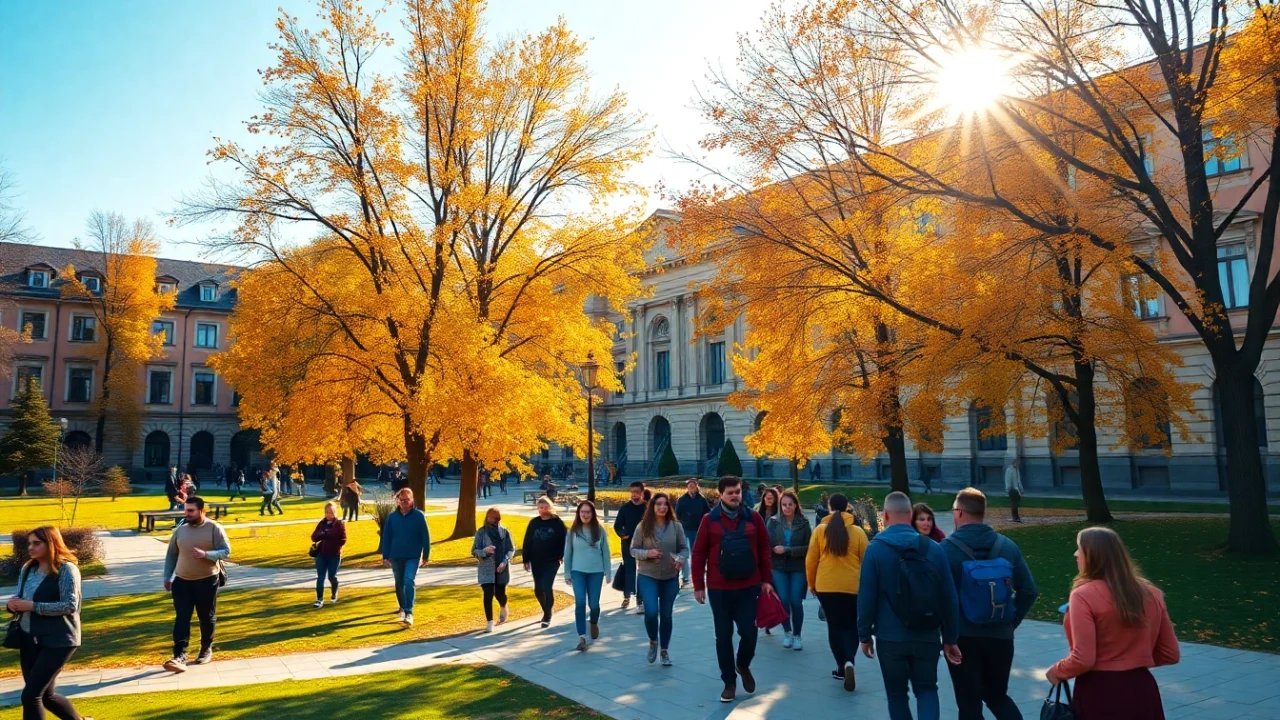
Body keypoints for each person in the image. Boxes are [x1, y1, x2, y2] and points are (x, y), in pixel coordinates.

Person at [1047, 527, 1179, 720]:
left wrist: (1057, 671)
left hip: (1099, 691)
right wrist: (1133, 660)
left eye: (1079, 549)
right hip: (1142, 689)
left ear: (1092, 556)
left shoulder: (1083, 595)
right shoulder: (1152, 594)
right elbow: (1170, 653)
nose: (1076, 554)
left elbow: (1083, 658)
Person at [857, 491, 961, 720]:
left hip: (889, 635)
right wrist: (951, 638)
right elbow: (949, 597)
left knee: (896, 695)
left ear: (884, 515)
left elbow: (866, 596)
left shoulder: (875, 549)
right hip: (927, 633)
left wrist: (864, 635)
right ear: (911, 514)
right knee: (927, 690)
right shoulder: (934, 549)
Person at [940, 488, 1038, 720]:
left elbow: (938, 598)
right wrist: (1010, 622)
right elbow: (1029, 590)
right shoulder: (1007, 546)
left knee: (969, 702)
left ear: (960, 512)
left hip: (962, 638)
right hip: (1001, 636)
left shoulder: (944, 550)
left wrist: (946, 634)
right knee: (997, 696)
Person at [691, 476, 774, 704]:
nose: (735, 496)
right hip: (719, 589)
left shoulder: (753, 518)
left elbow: (764, 549)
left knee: (749, 633)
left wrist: (767, 580)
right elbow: (698, 554)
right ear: (721, 496)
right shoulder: (710, 520)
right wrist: (698, 585)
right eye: (730, 493)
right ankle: (729, 682)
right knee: (723, 636)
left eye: (737, 491)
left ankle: (743, 664)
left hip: (749, 587)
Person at [4, 526, 91, 720]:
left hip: (59, 640)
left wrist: (33, 606)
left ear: (51, 543)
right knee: (46, 696)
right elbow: (21, 597)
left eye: (36, 543)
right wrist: (12, 604)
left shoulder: (67, 569)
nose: (31, 548)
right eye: (29, 543)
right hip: (29, 637)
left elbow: (70, 605)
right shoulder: (28, 568)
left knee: (31, 695)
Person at [805, 493, 869, 690]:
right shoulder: (858, 532)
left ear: (829, 507)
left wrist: (811, 585)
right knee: (850, 626)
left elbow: (811, 560)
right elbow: (866, 561)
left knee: (834, 626)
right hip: (852, 586)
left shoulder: (820, 530)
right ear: (848, 507)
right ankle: (850, 660)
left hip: (827, 585)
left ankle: (841, 667)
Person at [162, 496, 232, 673]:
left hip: (207, 580)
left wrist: (206, 554)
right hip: (182, 581)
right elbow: (171, 555)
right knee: (182, 618)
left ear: (202, 511)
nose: (187, 514)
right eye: (185, 510)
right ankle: (179, 656)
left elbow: (226, 551)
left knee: (206, 617)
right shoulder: (181, 529)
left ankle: (205, 649)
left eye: (191, 511)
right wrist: (167, 577)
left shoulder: (214, 528)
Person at [631, 492, 689, 666]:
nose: (662, 507)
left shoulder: (676, 526)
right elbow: (633, 550)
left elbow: (684, 548)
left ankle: (664, 650)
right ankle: (652, 641)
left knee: (666, 615)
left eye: (665, 504)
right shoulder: (643, 527)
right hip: (648, 575)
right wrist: (647, 554)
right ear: (652, 507)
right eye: (658, 504)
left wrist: (680, 560)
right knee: (651, 613)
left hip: (670, 577)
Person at [564, 500, 611, 652]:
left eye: (588, 512)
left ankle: (594, 622)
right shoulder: (573, 532)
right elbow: (568, 553)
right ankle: (582, 636)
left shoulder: (600, 530)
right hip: (578, 571)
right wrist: (567, 573)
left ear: (593, 513)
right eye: (582, 512)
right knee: (580, 602)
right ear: (578, 513)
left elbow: (606, 552)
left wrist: (608, 572)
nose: (585, 515)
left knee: (594, 604)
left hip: (596, 572)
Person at [379, 488, 431, 626]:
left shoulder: (419, 516)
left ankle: (409, 612)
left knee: (409, 580)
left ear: (412, 500)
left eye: (407, 500)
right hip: (396, 555)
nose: (404, 503)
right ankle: (402, 606)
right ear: (398, 501)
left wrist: (426, 554)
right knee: (399, 583)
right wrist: (386, 555)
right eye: (402, 500)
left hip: (413, 556)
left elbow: (425, 536)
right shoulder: (392, 517)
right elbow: (387, 537)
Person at [767, 489, 811, 650]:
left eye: (790, 505)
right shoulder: (773, 522)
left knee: (796, 601)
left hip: (797, 566)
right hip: (778, 567)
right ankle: (788, 632)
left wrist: (788, 550)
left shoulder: (803, 523)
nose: (787, 508)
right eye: (784, 505)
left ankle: (797, 635)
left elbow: (809, 547)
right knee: (784, 600)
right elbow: (765, 544)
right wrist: (773, 550)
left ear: (795, 505)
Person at [522, 497, 567, 628]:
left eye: (545, 507)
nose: (543, 510)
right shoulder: (534, 523)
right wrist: (526, 559)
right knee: (538, 589)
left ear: (550, 507)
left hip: (552, 560)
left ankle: (547, 616)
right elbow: (528, 541)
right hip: (536, 560)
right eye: (540, 508)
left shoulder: (557, 523)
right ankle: (546, 610)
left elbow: (564, 540)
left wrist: (560, 555)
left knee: (547, 586)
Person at [472, 508, 515, 633]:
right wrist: (484, 551)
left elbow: (511, 549)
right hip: (486, 568)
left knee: (500, 593)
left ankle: (503, 606)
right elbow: (474, 550)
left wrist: (504, 562)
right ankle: (489, 621)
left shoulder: (504, 532)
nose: (492, 521)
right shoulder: (481, 532)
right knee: (488, 593)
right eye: (490, 518)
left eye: (495, 519)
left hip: (501, 568)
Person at [613, 481, 648, 612]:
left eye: (637, 492)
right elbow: (617, 525)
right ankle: (626, 596)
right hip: (628, 544)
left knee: (643, 572)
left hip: (645, 546)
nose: (634, 495)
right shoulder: (624, 508)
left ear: (642, 493)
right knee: (629, 570)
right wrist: (622, 534)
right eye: (632, 492)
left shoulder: (648, 508)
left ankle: (640, 601)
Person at [310, 501, 347, 608]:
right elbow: (313, 537)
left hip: (334, 554)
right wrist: (321, 534)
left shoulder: (339, 524)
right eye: (326, 512)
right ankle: (319, 599)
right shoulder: (322, 523)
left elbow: (343, 539)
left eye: (330, 512)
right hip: (321, 554)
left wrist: (332, 540)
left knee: (332, 576)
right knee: (320, 576)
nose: (328, 514)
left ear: (335, 512)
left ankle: (334, 593)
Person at [675, 478, 711, 586]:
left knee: (697, 553)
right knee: (684, 553)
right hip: (685, 529)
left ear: (696, 486)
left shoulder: (701, 499)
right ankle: (685, 576)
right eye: (689, 485)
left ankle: (698, 573)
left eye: (693, 485)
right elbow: (677, 514)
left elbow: (707, 513)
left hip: (698, 529)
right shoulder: (682, 499)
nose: (691, 487)